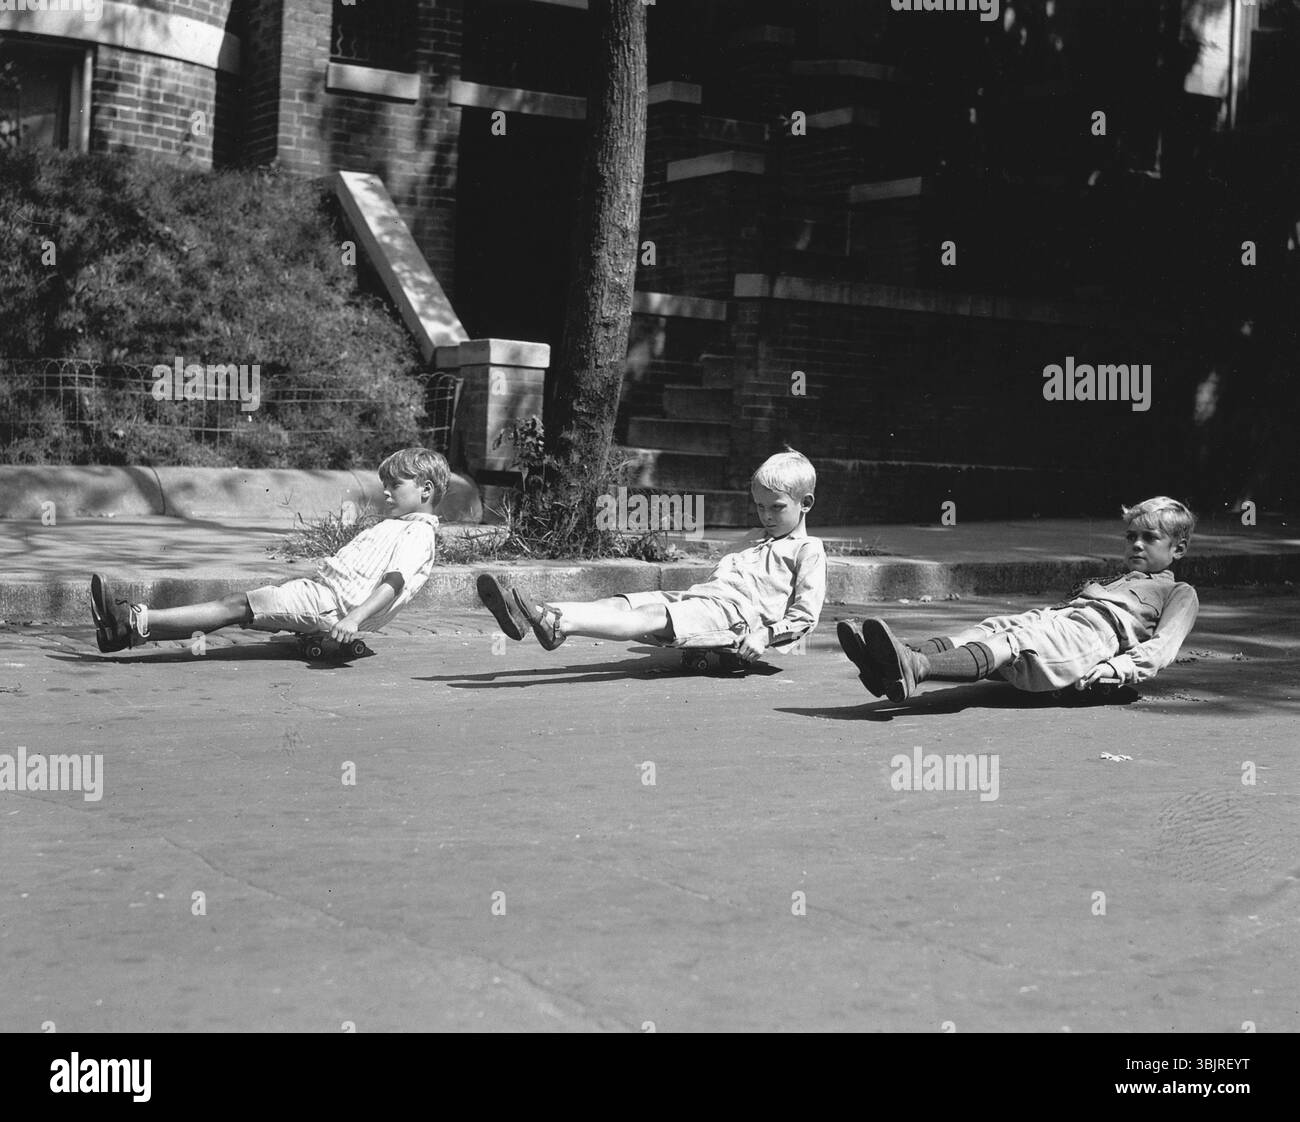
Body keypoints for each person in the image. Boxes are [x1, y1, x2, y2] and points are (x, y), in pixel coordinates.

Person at [478, 449, 826, 661]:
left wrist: (764, 635)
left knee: (651, 614)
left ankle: (555, 622)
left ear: (805, 504)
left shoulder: (807, 549)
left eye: (776, 508)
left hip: (735, 617)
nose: (765, 516)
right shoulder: (755, 537)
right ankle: (541, 614)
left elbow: (806, 616)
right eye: (759, 506)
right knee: (621, 603)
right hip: (701, 599)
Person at [839, 496, 1199, 701]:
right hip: (1058, 620)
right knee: (991, 628)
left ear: (1178, 548)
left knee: (1015, 642)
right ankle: (887, 662)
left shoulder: (1178, 592)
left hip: (1092, 637)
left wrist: (1118, 668)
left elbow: (1164, 645)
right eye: (1130, 536)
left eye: (1149, 538)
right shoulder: (1118, 577)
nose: (1136, 544)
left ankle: (916, 668)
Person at [89, 447, 448, 652]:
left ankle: (133, 620)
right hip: (325, 599)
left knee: (236, 605)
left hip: (332, 606)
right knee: (239, 608)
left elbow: (394, 582)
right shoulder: (403, 526)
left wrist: (353, 620)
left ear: (426, 489)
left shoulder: (418, 534)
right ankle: (127, 634)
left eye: (395, 486)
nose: (386, 492)